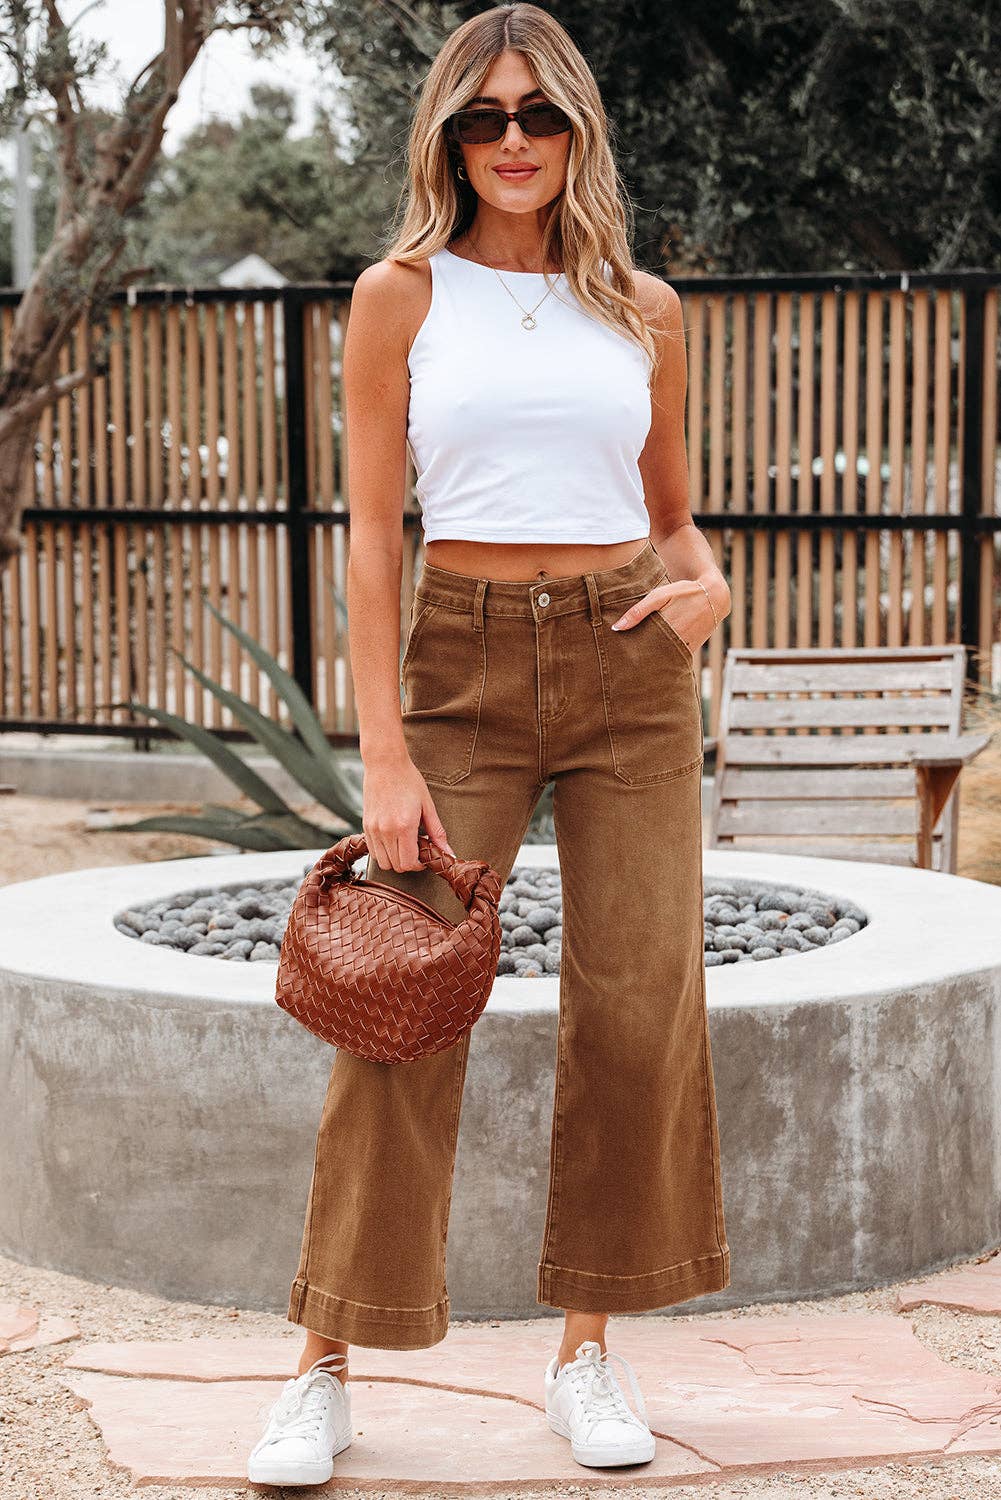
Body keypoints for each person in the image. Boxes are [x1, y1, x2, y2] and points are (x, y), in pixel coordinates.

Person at [248, 3, 732, 1486]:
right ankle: (324, 1367)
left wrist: (710, 586)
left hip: (629, 662)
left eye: (537, 115)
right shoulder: (398, 296)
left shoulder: (643, 307)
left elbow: (670, 517)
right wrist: (384, 756)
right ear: (448, 139)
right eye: (482, 118)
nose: (512, 141)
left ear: (576, 128)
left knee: (638, 1008)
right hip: (459, 658)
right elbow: (372, 539)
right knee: (399, 1009)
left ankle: (587, 1351)